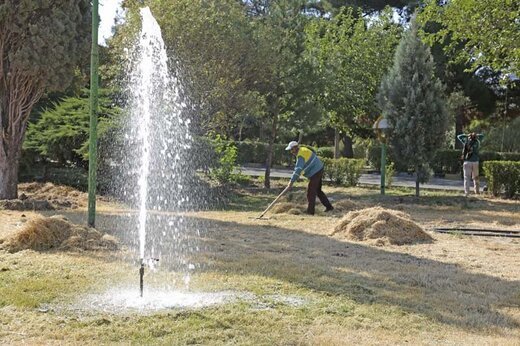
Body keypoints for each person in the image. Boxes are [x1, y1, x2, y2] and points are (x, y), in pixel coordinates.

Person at [285, 141, 333, 215]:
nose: (291, 152)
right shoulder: (303, 150)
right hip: (319, 169)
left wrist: (291, 182)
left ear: (295, 148)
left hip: (315, 172)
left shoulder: (301, 155)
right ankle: (329, 207)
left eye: (291, 150)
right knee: (318, 191)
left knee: (311, 192)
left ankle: (310, 212)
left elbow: (298, 169)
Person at [457, 132, 485, 196]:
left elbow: (459, 136)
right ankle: (477, 192)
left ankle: (467, 193)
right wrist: (476, 135)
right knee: (476, 177)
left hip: (467, 162)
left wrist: (467, 135)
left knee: (467, 178)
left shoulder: (466, 141)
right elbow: (482, 135)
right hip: (475, 162)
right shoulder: (477, 142)